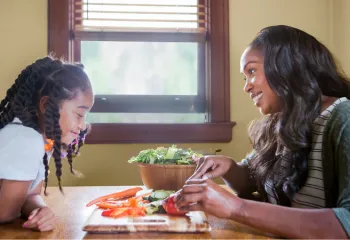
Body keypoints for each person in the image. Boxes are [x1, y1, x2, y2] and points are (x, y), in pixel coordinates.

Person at [174, 25, 350, 239]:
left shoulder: (343, 117)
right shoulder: (281, 121)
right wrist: (229, 167)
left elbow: (346, 224)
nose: (246, 87)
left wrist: (236, 208)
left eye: (251, 71)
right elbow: (251, 180)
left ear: (286, 66)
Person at [0, 57, 94, 232]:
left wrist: (39, 210)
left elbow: (31, 193)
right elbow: (6, 214)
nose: (82, 126)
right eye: (79, 114)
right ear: (46, 105)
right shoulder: (25, 139)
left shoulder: (42, 139)